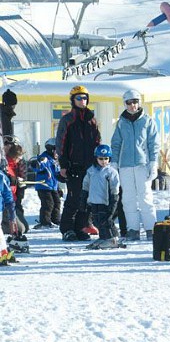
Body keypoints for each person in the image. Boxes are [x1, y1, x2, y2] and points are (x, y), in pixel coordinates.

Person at [110, 89, 159, 241]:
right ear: (125, 104)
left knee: (145, 197)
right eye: (129, 103)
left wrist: (153, 162)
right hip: (125, 166)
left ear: (139, 102)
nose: (132, 105)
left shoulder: (147, 121)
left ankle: (151, 228)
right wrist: (114, 162)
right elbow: (116, 143)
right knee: (128, 198)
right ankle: (133, 229)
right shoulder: (121, 122)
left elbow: (153, 143)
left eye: (135, 102)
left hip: (142, 164)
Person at [57, 85, 102, 241]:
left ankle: (80, 227)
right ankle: (67, 229)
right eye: (79, 98)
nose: (82, 101)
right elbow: (61, 143)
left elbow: (97, 141)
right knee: (74, 199)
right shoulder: (68, 120)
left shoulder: (92, 119)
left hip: (90, 166)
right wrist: (63, 164)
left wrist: (100, 161)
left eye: (84, 98)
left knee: (87, 199)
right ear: (73, 100)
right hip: (74, 165)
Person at [82, 144, 122, 249]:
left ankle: (111, 238)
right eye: (101, 158)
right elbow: (86, 184)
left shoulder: (111, 172)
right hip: (94, 200)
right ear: (96, 158)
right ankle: (103, 236)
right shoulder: (91, 170)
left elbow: (115, 187)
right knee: (97, 220)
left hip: (106, 201)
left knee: (106, 220)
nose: (103, 161)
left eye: (106, 158)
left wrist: (114, 199)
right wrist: (83, 197)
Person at [32, 138, 62, 229]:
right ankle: (45, 222)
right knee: (48, 204)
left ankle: (55, 220)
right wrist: (37, 163)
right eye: (58, 151)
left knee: (57, 202)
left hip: (53, 186)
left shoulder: (54, 161)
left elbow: (55, 175)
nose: (59, 153)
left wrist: (58, 187)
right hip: (44, 186)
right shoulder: (45, 158)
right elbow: (37, 167)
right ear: (51, 149)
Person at [3, 138, 28, 234]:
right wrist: (13, 180)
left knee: (24, 228)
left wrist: (20, 183)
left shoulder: (15, 165)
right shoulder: (6, 165)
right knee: (20, 229)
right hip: (6, 201)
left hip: (13, 199)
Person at [0, 168, 16, 265]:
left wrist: (12, 214)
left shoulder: (1, 176)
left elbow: (8, 195)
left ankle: (3, 253)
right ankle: (3, 251)